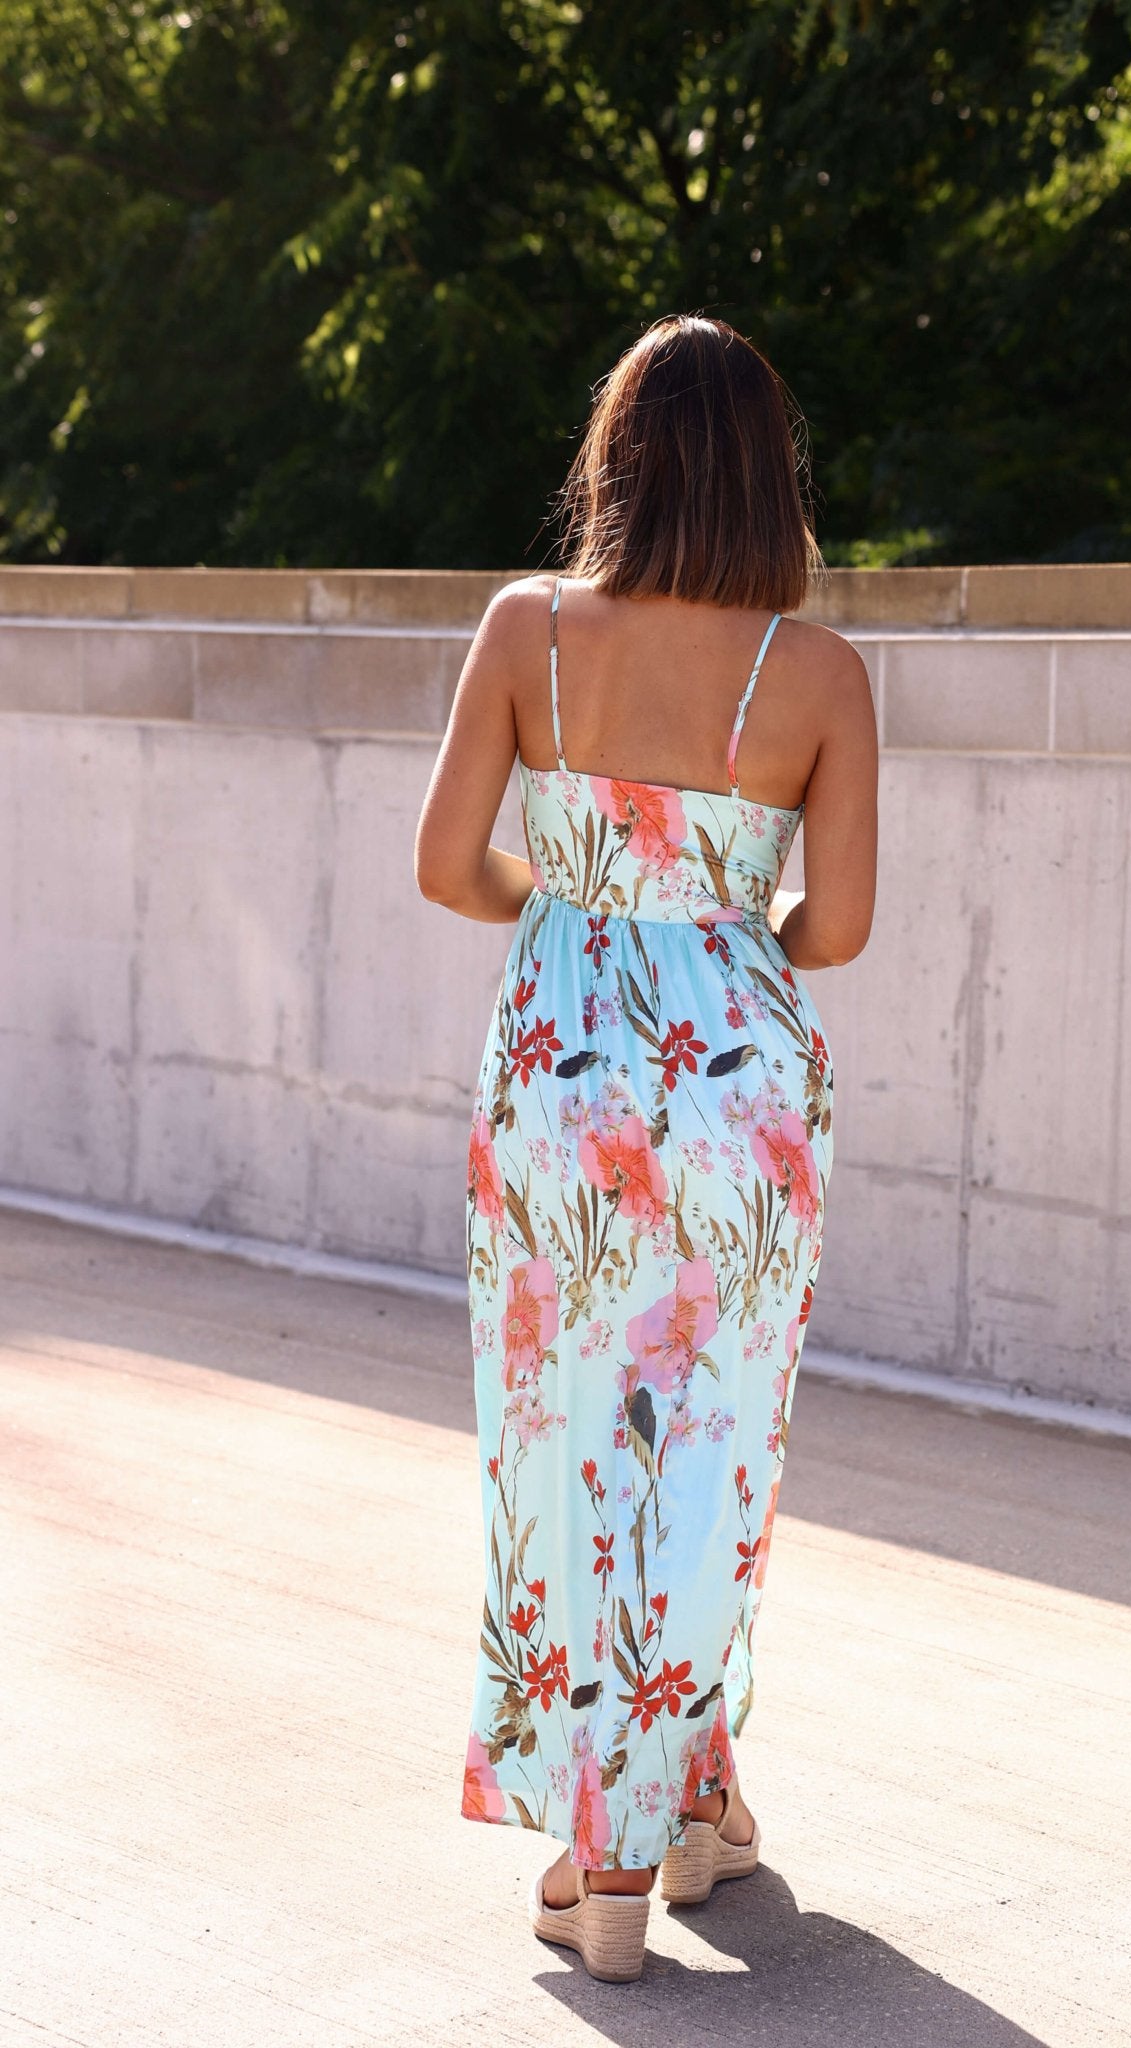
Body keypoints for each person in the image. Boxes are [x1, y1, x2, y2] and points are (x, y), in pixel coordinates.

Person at [414, 313, 878, 1981]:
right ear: (771, 473)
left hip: (556, 1072)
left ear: (615, 459)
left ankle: (643, 1826)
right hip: (742, 1091)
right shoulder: (814, 671)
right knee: (707, 1459)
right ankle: (643, 1838)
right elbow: (837, 933)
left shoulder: (527, 630)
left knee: (562, 1445)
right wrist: (718, 916)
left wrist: (575, 914)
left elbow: (443, 862)